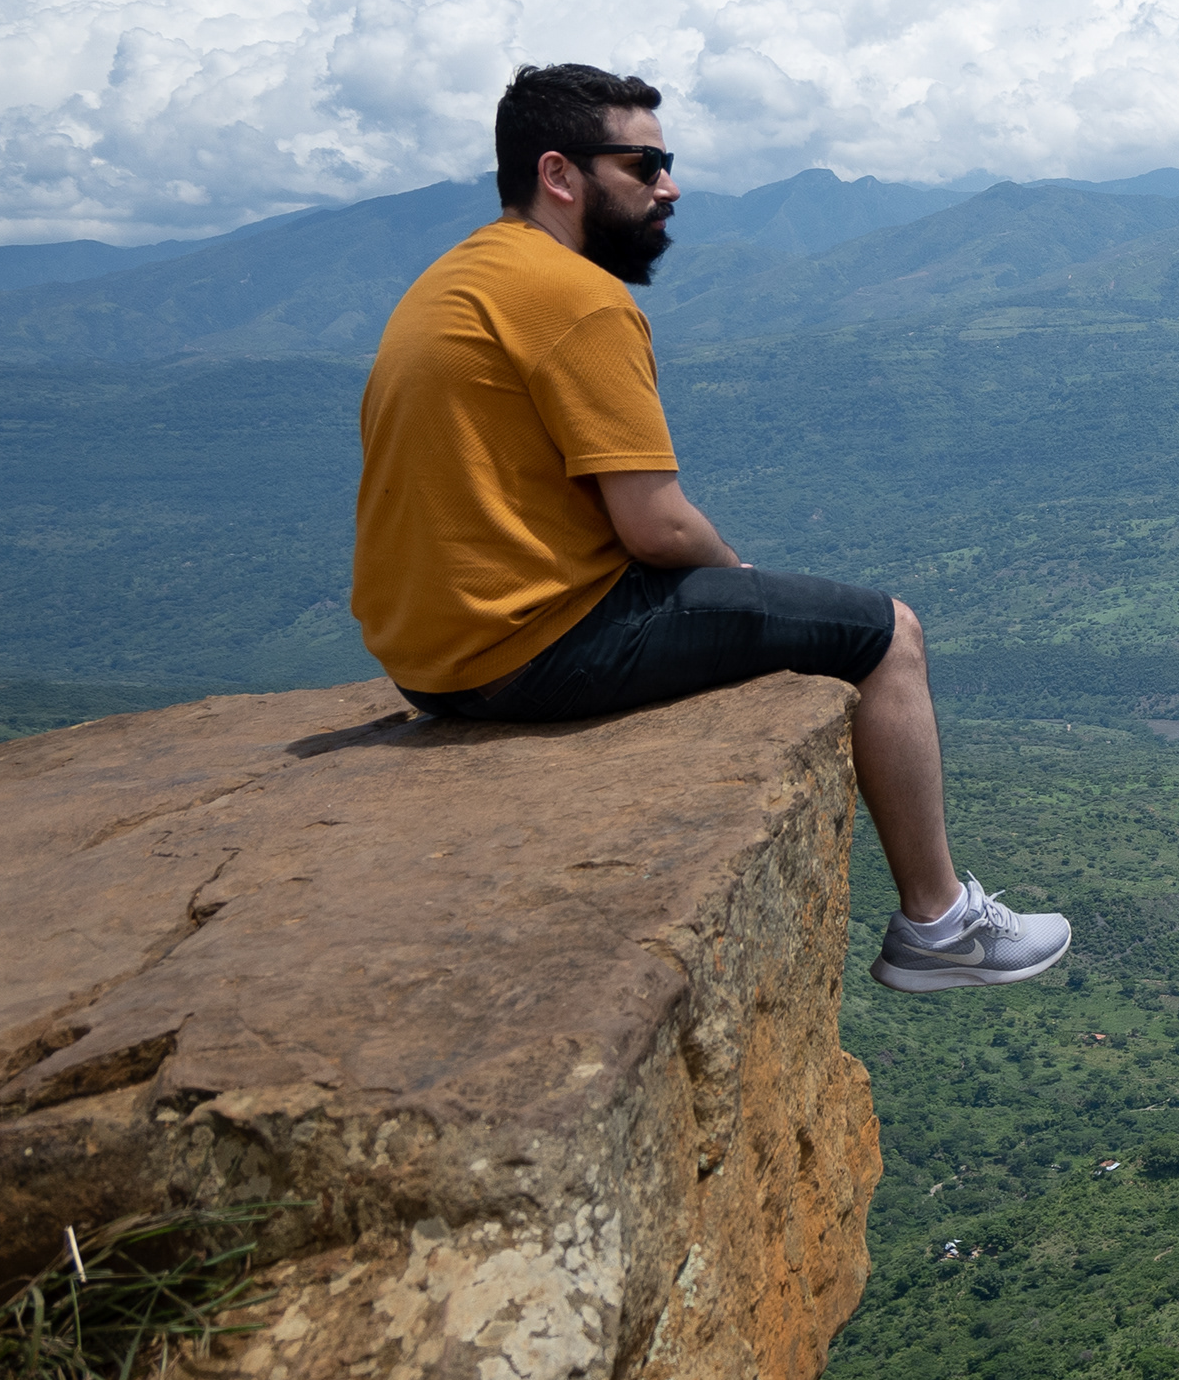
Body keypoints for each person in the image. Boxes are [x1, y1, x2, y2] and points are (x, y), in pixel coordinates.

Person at [350, 61, 1069, 993]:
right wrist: (736, 580)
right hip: (526, 646)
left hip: (428, 654)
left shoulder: (469, 275)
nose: (669, 186)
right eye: (643, 166)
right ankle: (939, 927)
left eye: (666, 162)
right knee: (889, 633)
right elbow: (656, 528)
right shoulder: (576, 299)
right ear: (561, 174)